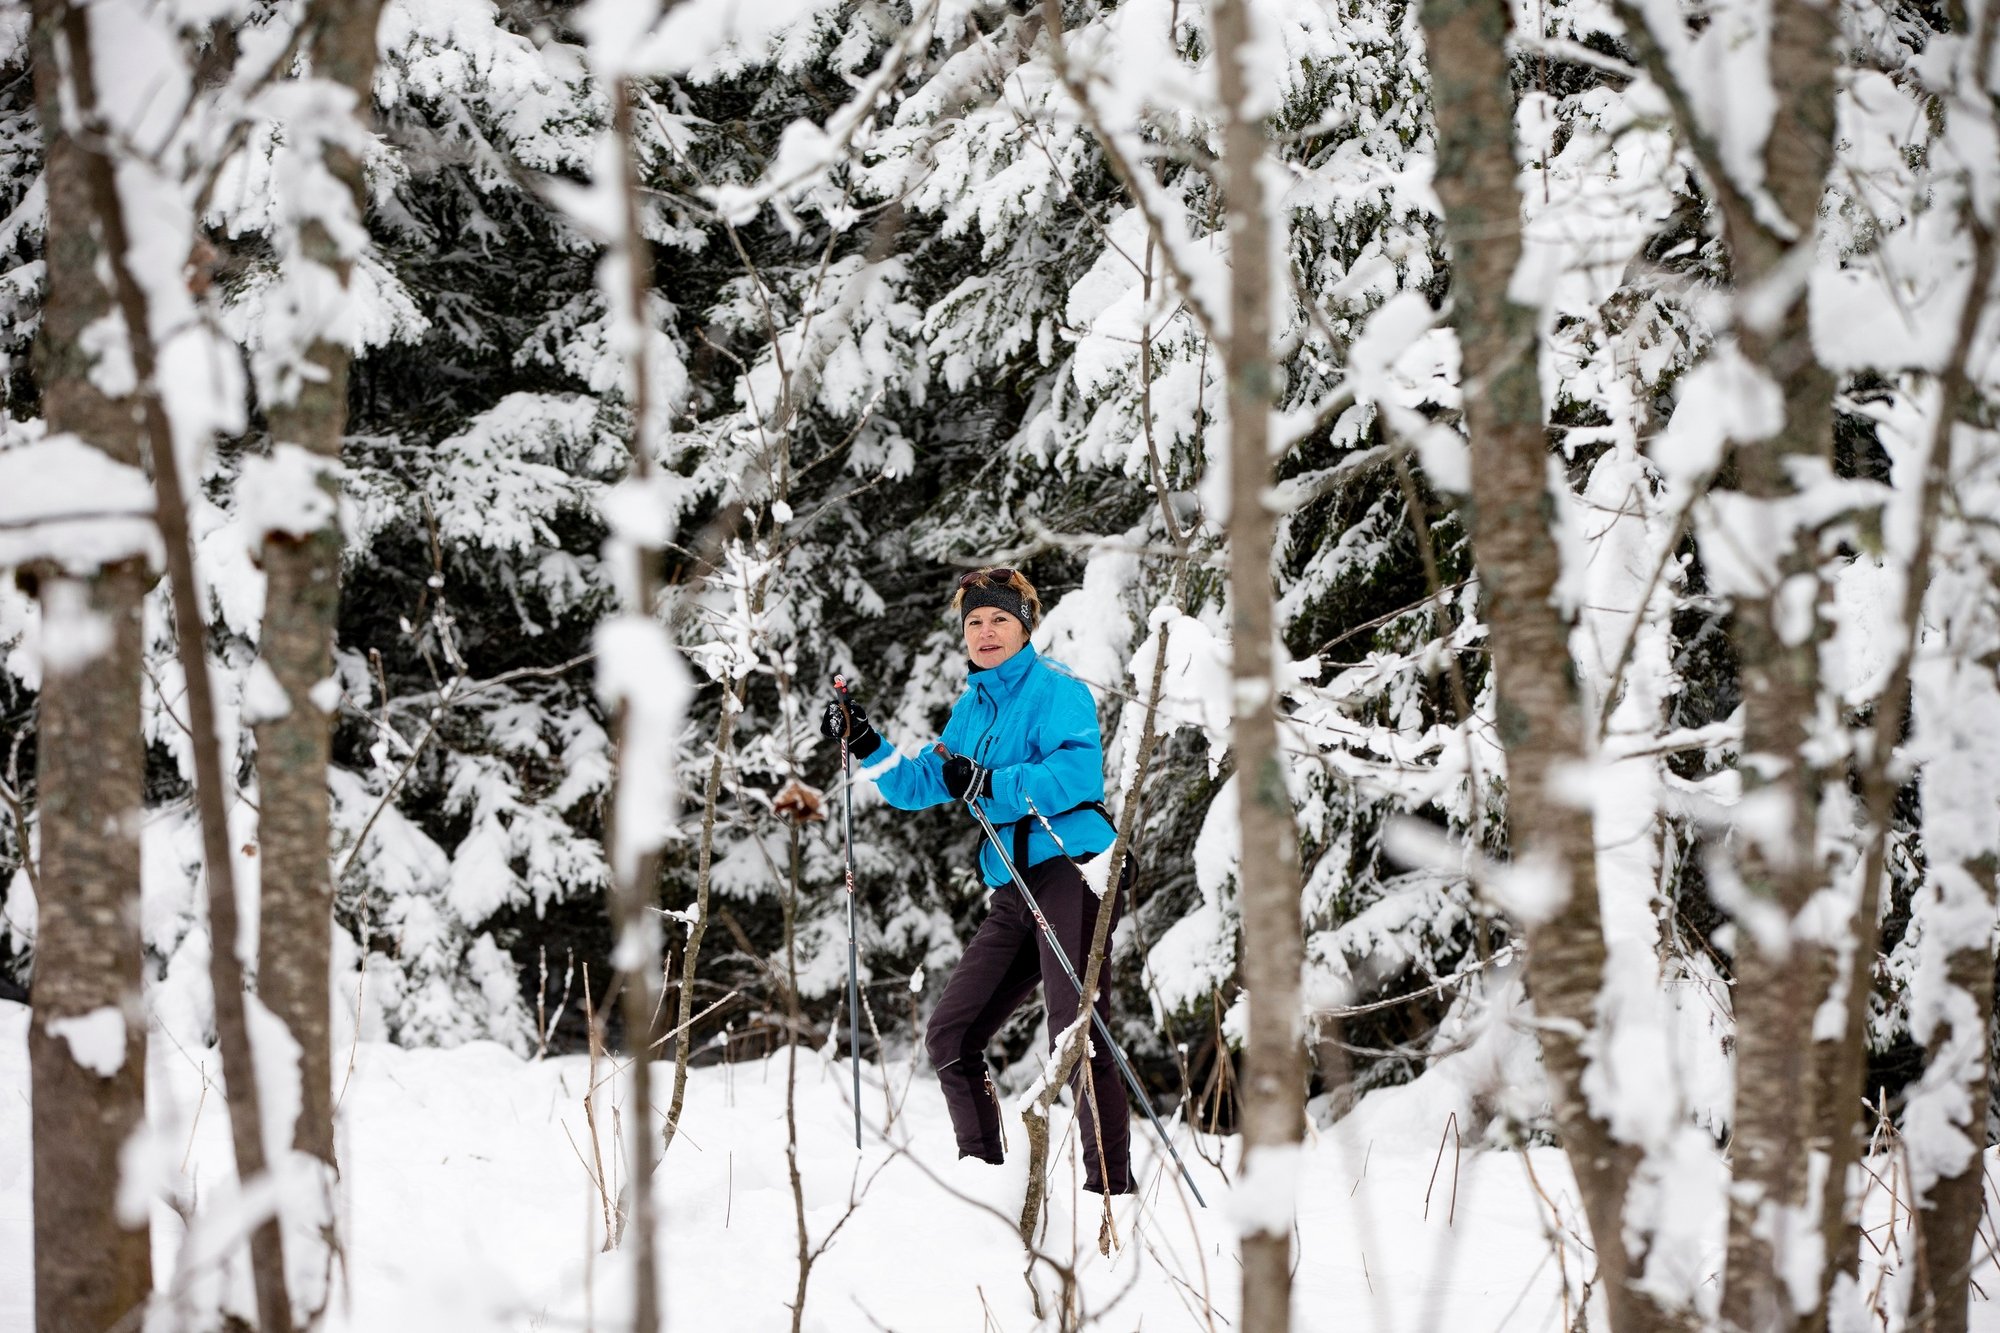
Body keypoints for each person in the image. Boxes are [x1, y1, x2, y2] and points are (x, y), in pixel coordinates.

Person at [819, 567, 1133, 1195]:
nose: (985, 632)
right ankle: (990, 1183)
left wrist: (989, 783)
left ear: (1023, 627)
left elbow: (1073, 779)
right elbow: (920, 785)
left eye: (1000, 620)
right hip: (1013, 886)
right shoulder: (972, 709)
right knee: (952, 1035)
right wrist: (869, 742)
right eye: (974, 622)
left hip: (1073, 870)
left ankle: (1110, 1196)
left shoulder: (1057, 692)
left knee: (1072, 1031)